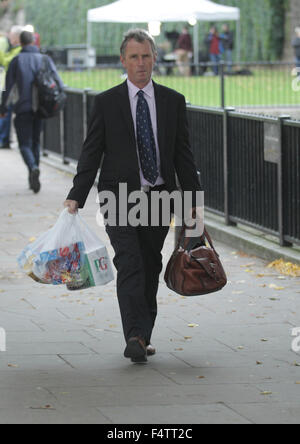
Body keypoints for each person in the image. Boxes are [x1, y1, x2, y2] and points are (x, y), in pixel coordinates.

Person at [64, 29, 202, 364]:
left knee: (151, 263)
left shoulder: (172, 101)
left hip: (159, 198)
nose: (141, 64)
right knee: (130, 262)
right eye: (134, 57)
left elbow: (183, 155)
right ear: (123, 61)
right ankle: (134, 336)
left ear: (155, 58)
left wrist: (192, 204)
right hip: (119, 197)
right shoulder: (107, 102)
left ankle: (143, 334)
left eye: (146, 56)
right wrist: (76, 196)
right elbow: (91, 151)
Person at [0, 30, 64, 193]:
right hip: (41, 108)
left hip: (23, 108)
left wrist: (3, 108)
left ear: (20, 43)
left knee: (24, 144)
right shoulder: (45, 59)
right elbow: (59, 83)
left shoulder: (16, 61)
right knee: (36, 142)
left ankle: (32, 167)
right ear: (34, 42)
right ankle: (33, 174)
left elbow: (9, 88)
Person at [0, 25, 23, 149]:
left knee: (7, 112)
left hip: (12, 86)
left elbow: (6, 62)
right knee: (6, 112)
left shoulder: (18, 50)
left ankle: (5, 139)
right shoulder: (13, 48)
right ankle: (5, 139)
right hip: (10, 86)